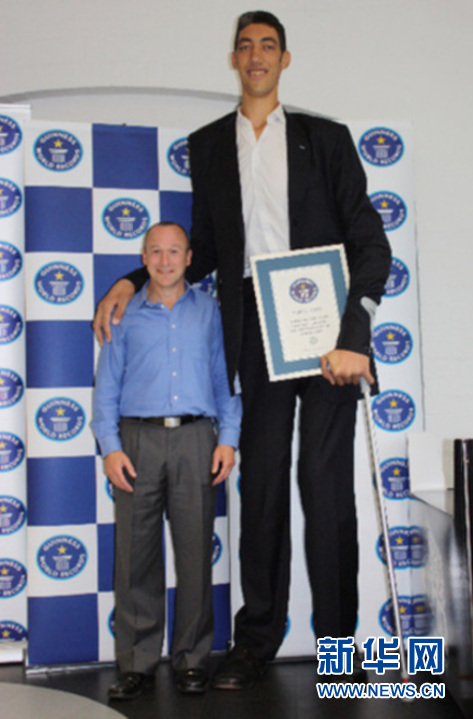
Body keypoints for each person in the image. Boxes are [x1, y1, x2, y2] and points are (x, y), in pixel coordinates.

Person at [93, 11, 391, 688]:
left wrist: (354, 335)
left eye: (268, 45)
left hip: (325, 331)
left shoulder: (327, 138)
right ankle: (257, 639)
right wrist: (132, 279)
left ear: (285, 59)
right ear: (234, 59)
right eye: (245, 46)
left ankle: (338, 646)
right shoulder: (207, 145)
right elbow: (204, 250)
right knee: (258, 486)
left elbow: (371, 243)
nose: (256, 55)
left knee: (323, 485)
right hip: (254, 326)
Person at [91, 221, 242, 699]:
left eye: (174, 251)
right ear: (143, 257)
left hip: (197, 439)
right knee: (135, 556)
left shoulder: (210, 312)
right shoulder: (124, 314)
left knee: (195, 554)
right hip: (137, 442)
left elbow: (224, 378)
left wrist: (228, 438)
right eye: (155, 251)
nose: (164, 260)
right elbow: (106, 387)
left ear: (189, 258)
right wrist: (111, 446)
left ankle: (192, 659)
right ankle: (136, 662)